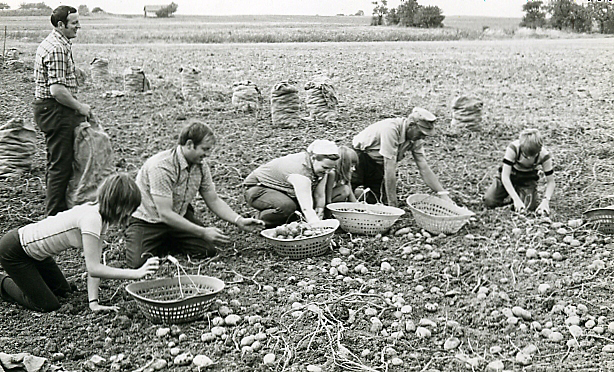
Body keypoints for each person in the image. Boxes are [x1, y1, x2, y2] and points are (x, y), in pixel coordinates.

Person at [0, 174, 159, 313]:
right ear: (118, 204)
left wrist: (94, 303)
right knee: (48, 305)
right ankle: (2, 281)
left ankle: (26, 277)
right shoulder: (92, 218)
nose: (129, 214)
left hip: (37, 255)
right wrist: (136, 273)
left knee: (63, 292)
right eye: (129, 208)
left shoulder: (102, 219)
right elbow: (94, 268)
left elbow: (94, 265)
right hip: (15, 251)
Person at [124, 120, 265, 269]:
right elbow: (164, 213)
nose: (207, 154)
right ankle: (149, 237)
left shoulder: (201, 166)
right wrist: (202, 232)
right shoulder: (161, 167)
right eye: (204, 149)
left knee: (207, 249)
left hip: (179, 214)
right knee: (138, 263)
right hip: (149, 220)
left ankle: (167, 240)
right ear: (190, 144)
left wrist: (238, 220)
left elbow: (213, 200)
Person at [33, 5, 92, 216]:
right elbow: (57, 90)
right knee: (61, 164)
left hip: (51, 109)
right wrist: (80, 107)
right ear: (61, 25)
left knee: (55, 160)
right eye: (74, 23)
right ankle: (55, 216)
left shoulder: (56, 43)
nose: (78, 26)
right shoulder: (57, 48)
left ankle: (55, 209)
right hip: (56, 110)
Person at [351, 107, 453, 207]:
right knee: (347, 191)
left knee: (377, 201)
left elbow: (423, 166)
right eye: (421, 133)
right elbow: (389, 168)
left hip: (378, 164)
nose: (422, 137)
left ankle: (360, 195)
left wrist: (442, 194)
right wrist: (393, 204)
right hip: (360, 157)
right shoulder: (391, 129)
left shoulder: (416, 138)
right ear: (411, 125)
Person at [244, 140, 340, 228]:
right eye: (325, 167)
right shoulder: (300, 172)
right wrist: (316, 224)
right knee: (287, 207)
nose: (328, 171)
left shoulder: (321, 169)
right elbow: (306, 207)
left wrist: (320, 209)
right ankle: (259, 220)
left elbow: (319, 195)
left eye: (331, 168)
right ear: (313, 158)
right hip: (258, 187)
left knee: (299, 213)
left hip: (282, 189)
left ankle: (282, 219)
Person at [484, 128, 555, 214]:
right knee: (489, 201)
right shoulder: (513, 148)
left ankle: (519, 193)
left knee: (528, 207)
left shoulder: (545, 156)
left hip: (527, 178)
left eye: (533, 156)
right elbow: (505, 176)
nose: (529, 158)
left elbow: (551, 182)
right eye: (526, 155)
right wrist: (516, 199)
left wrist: (545, 201)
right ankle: (512, 194)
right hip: (510, 175)